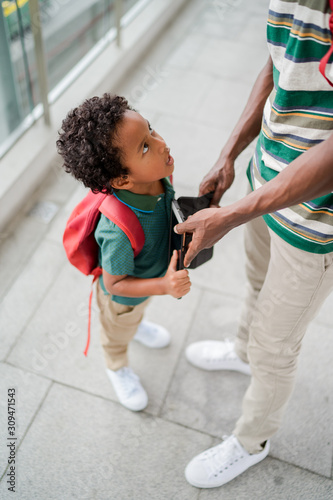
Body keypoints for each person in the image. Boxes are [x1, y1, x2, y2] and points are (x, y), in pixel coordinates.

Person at [175, 0, 333, 489]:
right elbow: (278, 63)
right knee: (256, 282)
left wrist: (232, 215)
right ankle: (241, 351)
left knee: (276, 346)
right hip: (265, 180)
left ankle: (252, 442)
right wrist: (230, 153)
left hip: (316, 221)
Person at [57, 94, 191, 412]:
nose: (161, 144)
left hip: (148, 280)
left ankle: (138, 324)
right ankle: (117, 369)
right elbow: (115, 286)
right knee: (117, 334)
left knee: (137, 313)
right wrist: (163, 286)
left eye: (152, 131)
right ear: (121, 179)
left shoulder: (156, 177)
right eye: (144, 147)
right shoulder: (117, 230)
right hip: (122, 299)